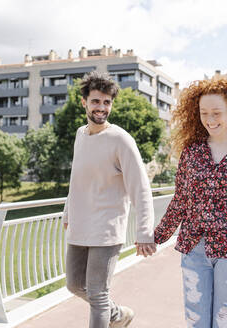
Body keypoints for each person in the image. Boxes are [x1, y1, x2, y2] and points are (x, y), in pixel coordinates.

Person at [154, 73, 227, 328]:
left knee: (226, 323)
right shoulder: (191, 153)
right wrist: (155, 237)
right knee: (196, 323)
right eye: (204, 113)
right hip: (194, 249)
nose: (210, 120)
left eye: (216, 113)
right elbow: (180, 201)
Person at [63, 71, 157, 328]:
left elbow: (140, 188)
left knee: (97, 294)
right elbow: (76, 178)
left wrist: (144, 231)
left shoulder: (121, 140)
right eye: (96, 101)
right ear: (84, 102)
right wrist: (67, 212)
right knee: (73, 284)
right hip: (80, 226)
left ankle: (109, 313)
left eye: (106, 102)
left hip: (106, 229)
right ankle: (118, 315)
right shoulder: (80, 135)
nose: (101, 108)